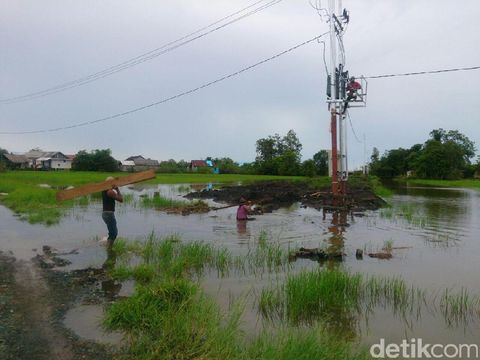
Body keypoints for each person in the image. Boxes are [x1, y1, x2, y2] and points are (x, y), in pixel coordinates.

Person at [101, 177, 123, 248]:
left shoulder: (104, 190)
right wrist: (117, 189)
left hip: (106, 214)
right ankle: (109, 248)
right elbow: (121, 199)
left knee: (112, 232)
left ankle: (109, 246)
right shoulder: (110, 192)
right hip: (109, 214)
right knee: (114, 233)